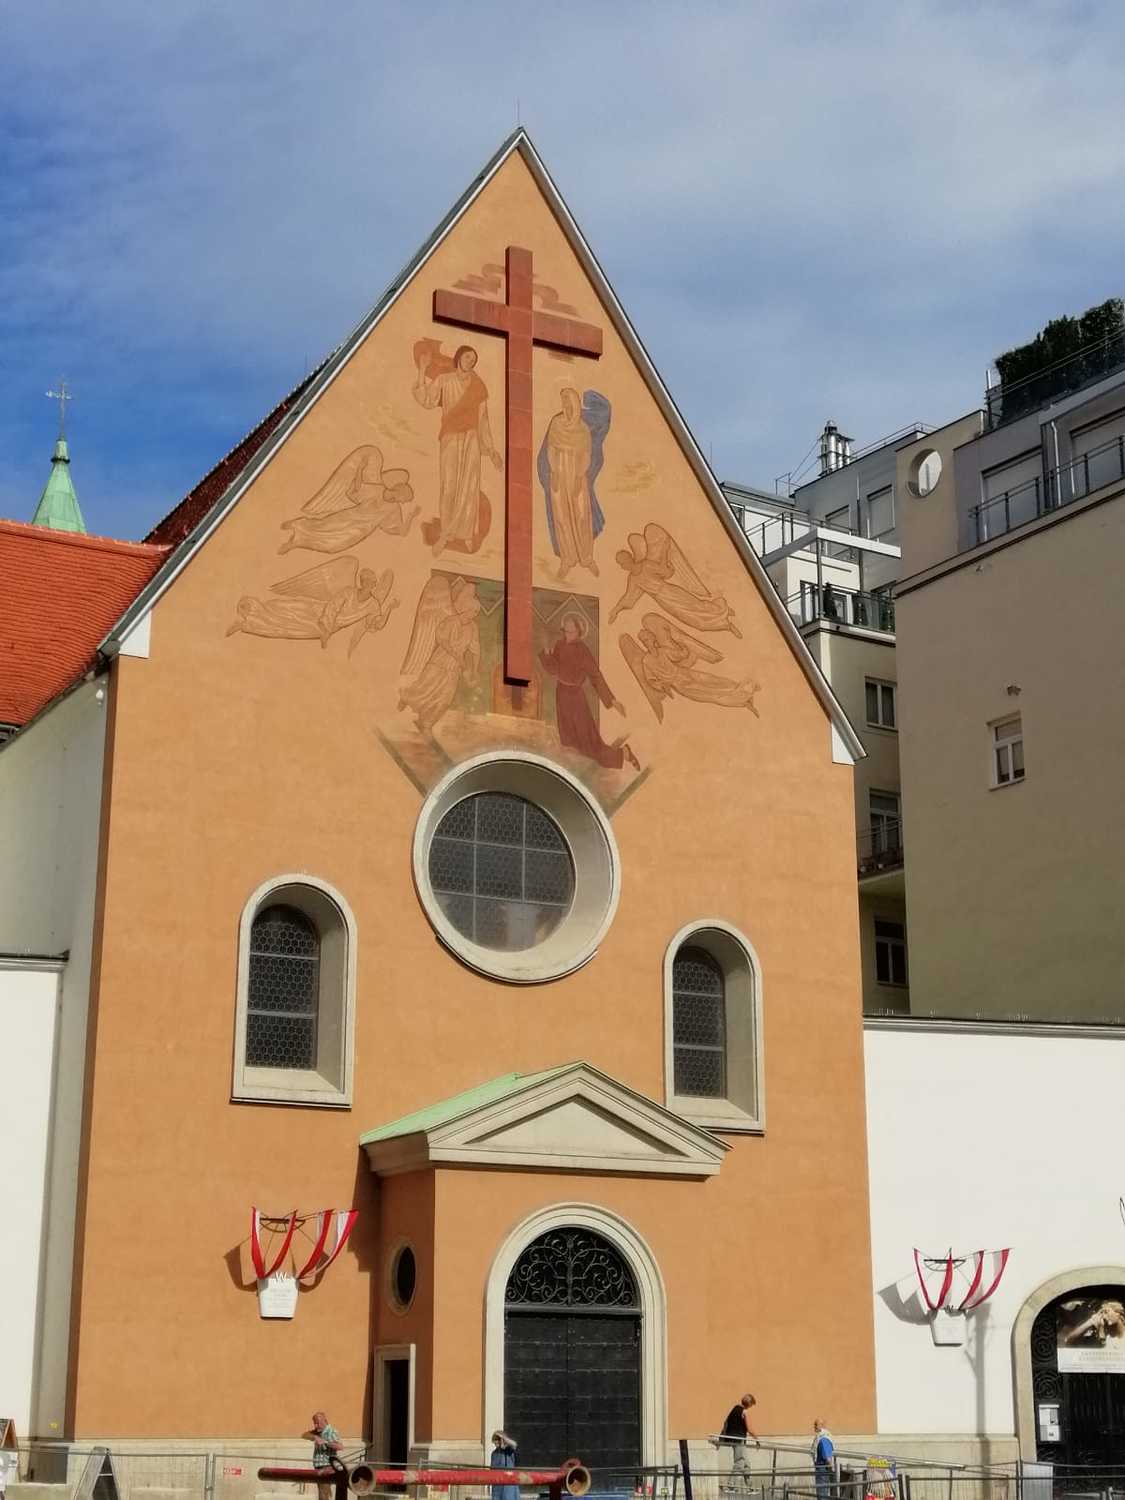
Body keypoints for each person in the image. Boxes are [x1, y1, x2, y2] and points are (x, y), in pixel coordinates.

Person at [413, 344, 501, 556]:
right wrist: (422, 370)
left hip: (471, 438)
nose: (470, 361)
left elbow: (483, 420)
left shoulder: (478, 387)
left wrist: (491, 450)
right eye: (468, 357)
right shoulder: (445, 380)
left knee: (469, 487)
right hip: (451, 437)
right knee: (449, 485)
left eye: (474, 359)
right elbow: (427, 400)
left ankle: (467, 534)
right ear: (459, 357)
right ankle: (446, 534)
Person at [539, 614, 640, 772]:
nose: (568, 635)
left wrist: (611, 701)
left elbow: (595, 675)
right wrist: (546, 652)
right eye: (565, 631)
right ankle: (574, 772)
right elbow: (553, 669)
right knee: (568, 740)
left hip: (576, 698)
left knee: (588, 743)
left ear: (579, 632)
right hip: (561, 695)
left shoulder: (582, 650)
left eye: (571, 632)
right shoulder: (560, 645)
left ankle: (623, 754)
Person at [719, 1393, 759, 1492]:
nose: (750, 1407)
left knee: (746, 1464)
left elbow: (725, 1423)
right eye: (751, 1405)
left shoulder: (734, 1409)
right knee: (740, 1462)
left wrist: (722, 1437)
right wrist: (757, 1439)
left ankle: (750, 1487)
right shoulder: (744, 1412)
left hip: (733, 1439)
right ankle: (730, 1485)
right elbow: (749, 1429)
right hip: (738, 1440)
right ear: (749, 1403)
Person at [303, 1410, 342, 1500]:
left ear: (324, 1421)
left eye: (317, 1423)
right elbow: (304, 1435)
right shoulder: (318, 1432)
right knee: (323, 1492)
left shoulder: (331, 1431)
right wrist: (315, 1437)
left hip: (327, 1465)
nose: (315, 1426)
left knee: (323, 1493)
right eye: (314, 1423)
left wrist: (325, 1442)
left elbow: (340, 1446)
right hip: (319, 1465)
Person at [489, 1430, 520, 1500]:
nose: (496, 1441)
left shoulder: (508, 1450)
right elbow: (492, 1469)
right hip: (497, 1484)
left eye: (498, 1439)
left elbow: (514, 1444)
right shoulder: (494, 1453)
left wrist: (504, 1438)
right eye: (495, 1439)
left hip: (508, 1484)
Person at [812, 1418, 835, 1500]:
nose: (814, 1426)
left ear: (821, 1425)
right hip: (821, 1468)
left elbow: (828, 1458)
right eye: (814, 1424)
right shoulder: (820, 1437)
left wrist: (831, 1469)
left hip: (823, 1469)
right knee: (822, 1493)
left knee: (822, 1494)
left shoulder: (823, 1439)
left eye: (816, 1424)